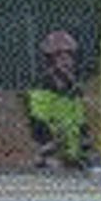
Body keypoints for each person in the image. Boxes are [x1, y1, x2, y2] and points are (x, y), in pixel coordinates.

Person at [26, 29, 88, 168]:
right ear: (50, 61)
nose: (67, 62)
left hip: (74, 163)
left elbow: (81, 125)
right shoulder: (41, 91)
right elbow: (39, 126)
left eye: (70, 56)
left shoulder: (74, 92)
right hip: (51, 164)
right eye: (60, 57)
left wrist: (85, 151)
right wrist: (53, 151)